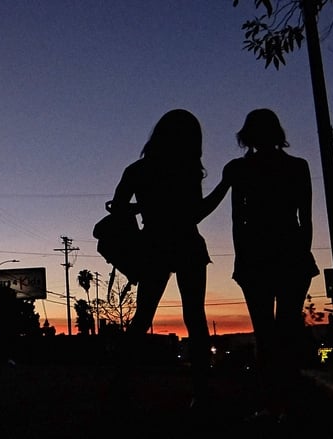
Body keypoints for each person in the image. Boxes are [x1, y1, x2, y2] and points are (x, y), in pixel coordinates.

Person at [203, 108, 320, 422]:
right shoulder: (297, 166)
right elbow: (304, 218)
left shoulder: (239, 169)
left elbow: (236, 221)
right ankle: (289, 403)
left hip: (257, 258)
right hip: (290, 255)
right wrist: (302, 252)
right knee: (286, 331)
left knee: (266, 335)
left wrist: (242, 260)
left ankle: (273, 402)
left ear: (247, 136)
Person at [110, 109, 212, 409]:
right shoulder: (188, 170)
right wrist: (223, 188)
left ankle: (122, 386)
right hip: (187, 244)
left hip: (154, 244)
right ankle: (201, 392)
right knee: (195, 317)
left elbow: (117, 208)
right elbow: (196, 213)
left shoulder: (137, 170)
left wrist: (143, 210)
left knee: (143, 316)